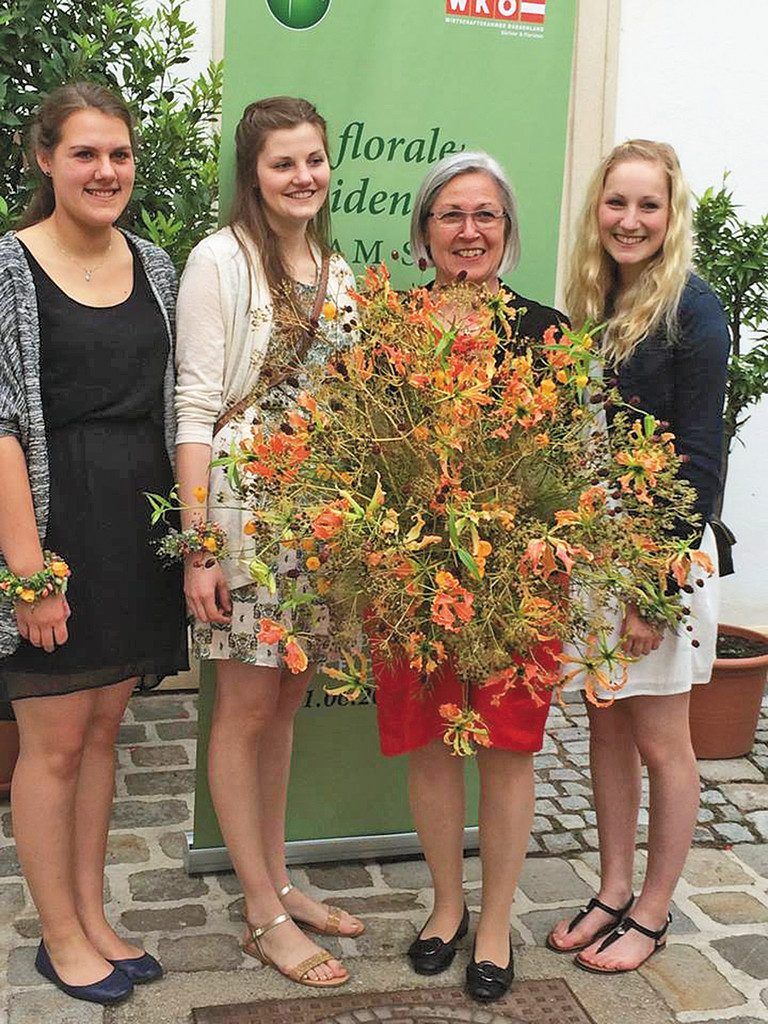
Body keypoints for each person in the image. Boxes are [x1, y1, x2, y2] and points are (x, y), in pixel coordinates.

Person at [0, 83, 188, 1005]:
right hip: (53, 527)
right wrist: (29, 574)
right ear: (45, 159)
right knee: (54, 745)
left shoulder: (154, 264)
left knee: (105, 731)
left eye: (118, 154)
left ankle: (91, 912)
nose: (105, 171)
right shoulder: (7, 268)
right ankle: (58, 934)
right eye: (84, 153)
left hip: (136, 528)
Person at [174, 96, 360, 989]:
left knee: (285, 705)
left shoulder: (337, 268)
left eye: (314, 159)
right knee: (244, 712)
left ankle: (280, 880)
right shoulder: (219, 259)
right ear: (254, 172)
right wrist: (198, 546)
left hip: (320, 521)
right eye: (284, 162)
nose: (303, 177)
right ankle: (260, 913)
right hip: (245, 517)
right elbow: (195, 407)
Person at [373, 151, 566, 1004]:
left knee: (507, 746)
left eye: (486, 214)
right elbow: (367, 452)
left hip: (518, 578)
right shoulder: (392, 332)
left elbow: (571, 463)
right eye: (451, 214)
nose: (469, 231)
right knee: (429, 741)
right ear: (424, 231)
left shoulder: (547, 332)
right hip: (413, 571)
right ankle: (446, 906)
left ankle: (495, 922)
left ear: (507, 230)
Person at [546, 140, 729, 972]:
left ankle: (652, 912)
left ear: (670, 213)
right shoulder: (598, 300)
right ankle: (612, 889)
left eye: (647, 205)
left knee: (662, 740)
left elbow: (699, 461)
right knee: (606, 725)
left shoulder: (693, 309)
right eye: (616, 203)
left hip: (657, 555)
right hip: (598, 547)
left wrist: (652, 591)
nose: (629, 220)